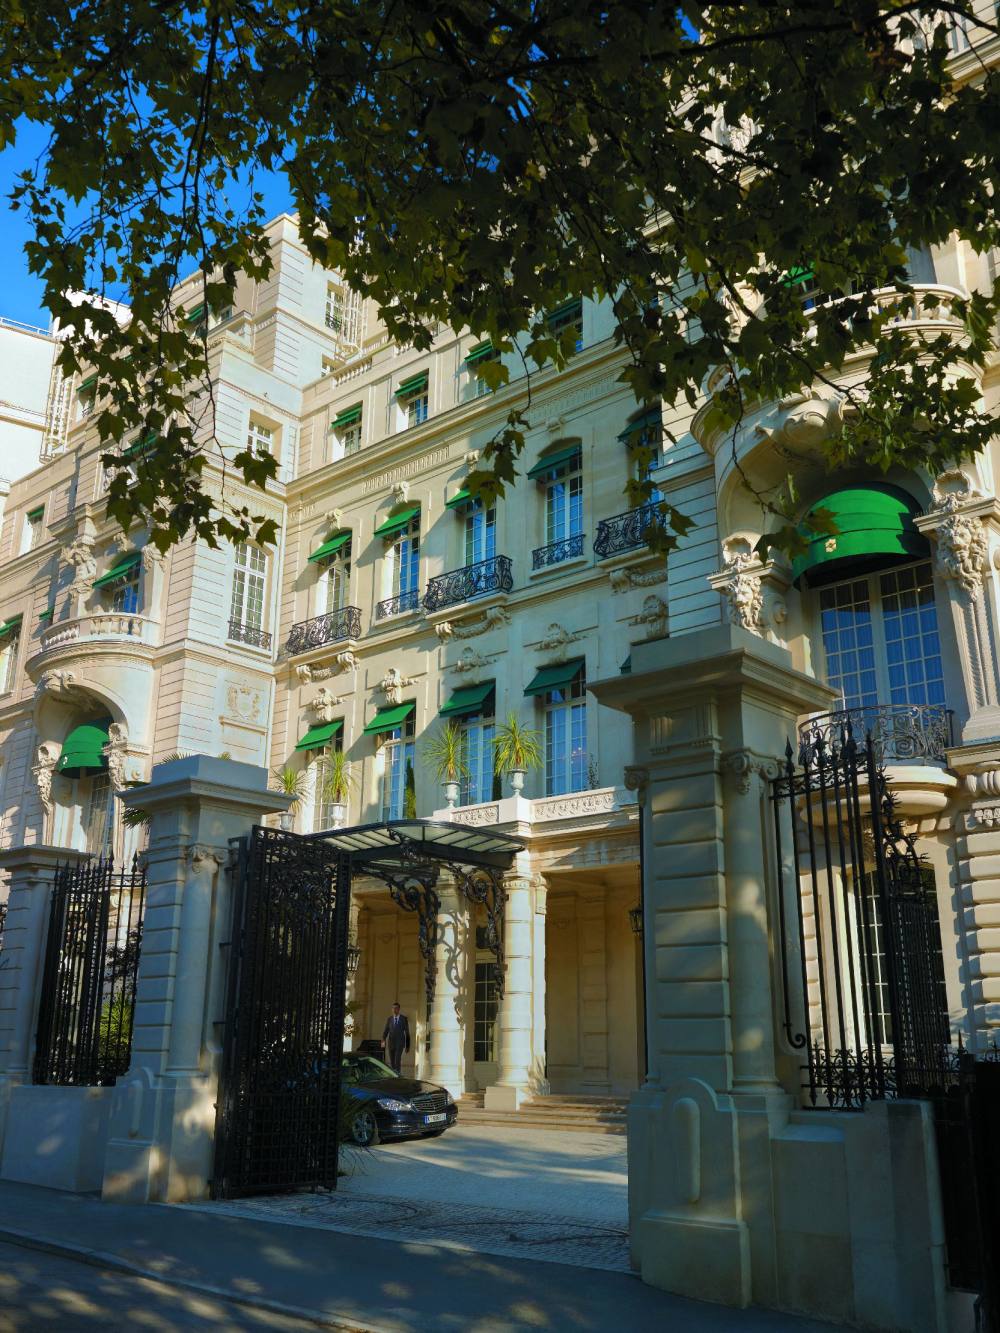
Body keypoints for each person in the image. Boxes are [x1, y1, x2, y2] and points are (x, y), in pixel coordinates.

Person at [381, 1002, 410, 1074]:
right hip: (391, 1043)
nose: (394, 1010)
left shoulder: (404, 1019)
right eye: (393, 1008)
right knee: (392, 1061)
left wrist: (407, 1046)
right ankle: (393, 1075)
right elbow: (386, 1031)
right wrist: (383, 1042)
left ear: (399, 1009)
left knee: (397, 1060)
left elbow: (407, 1033)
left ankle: (398, 1075)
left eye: (396, 1008)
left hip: (400, 1043)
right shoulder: (389, 1019)